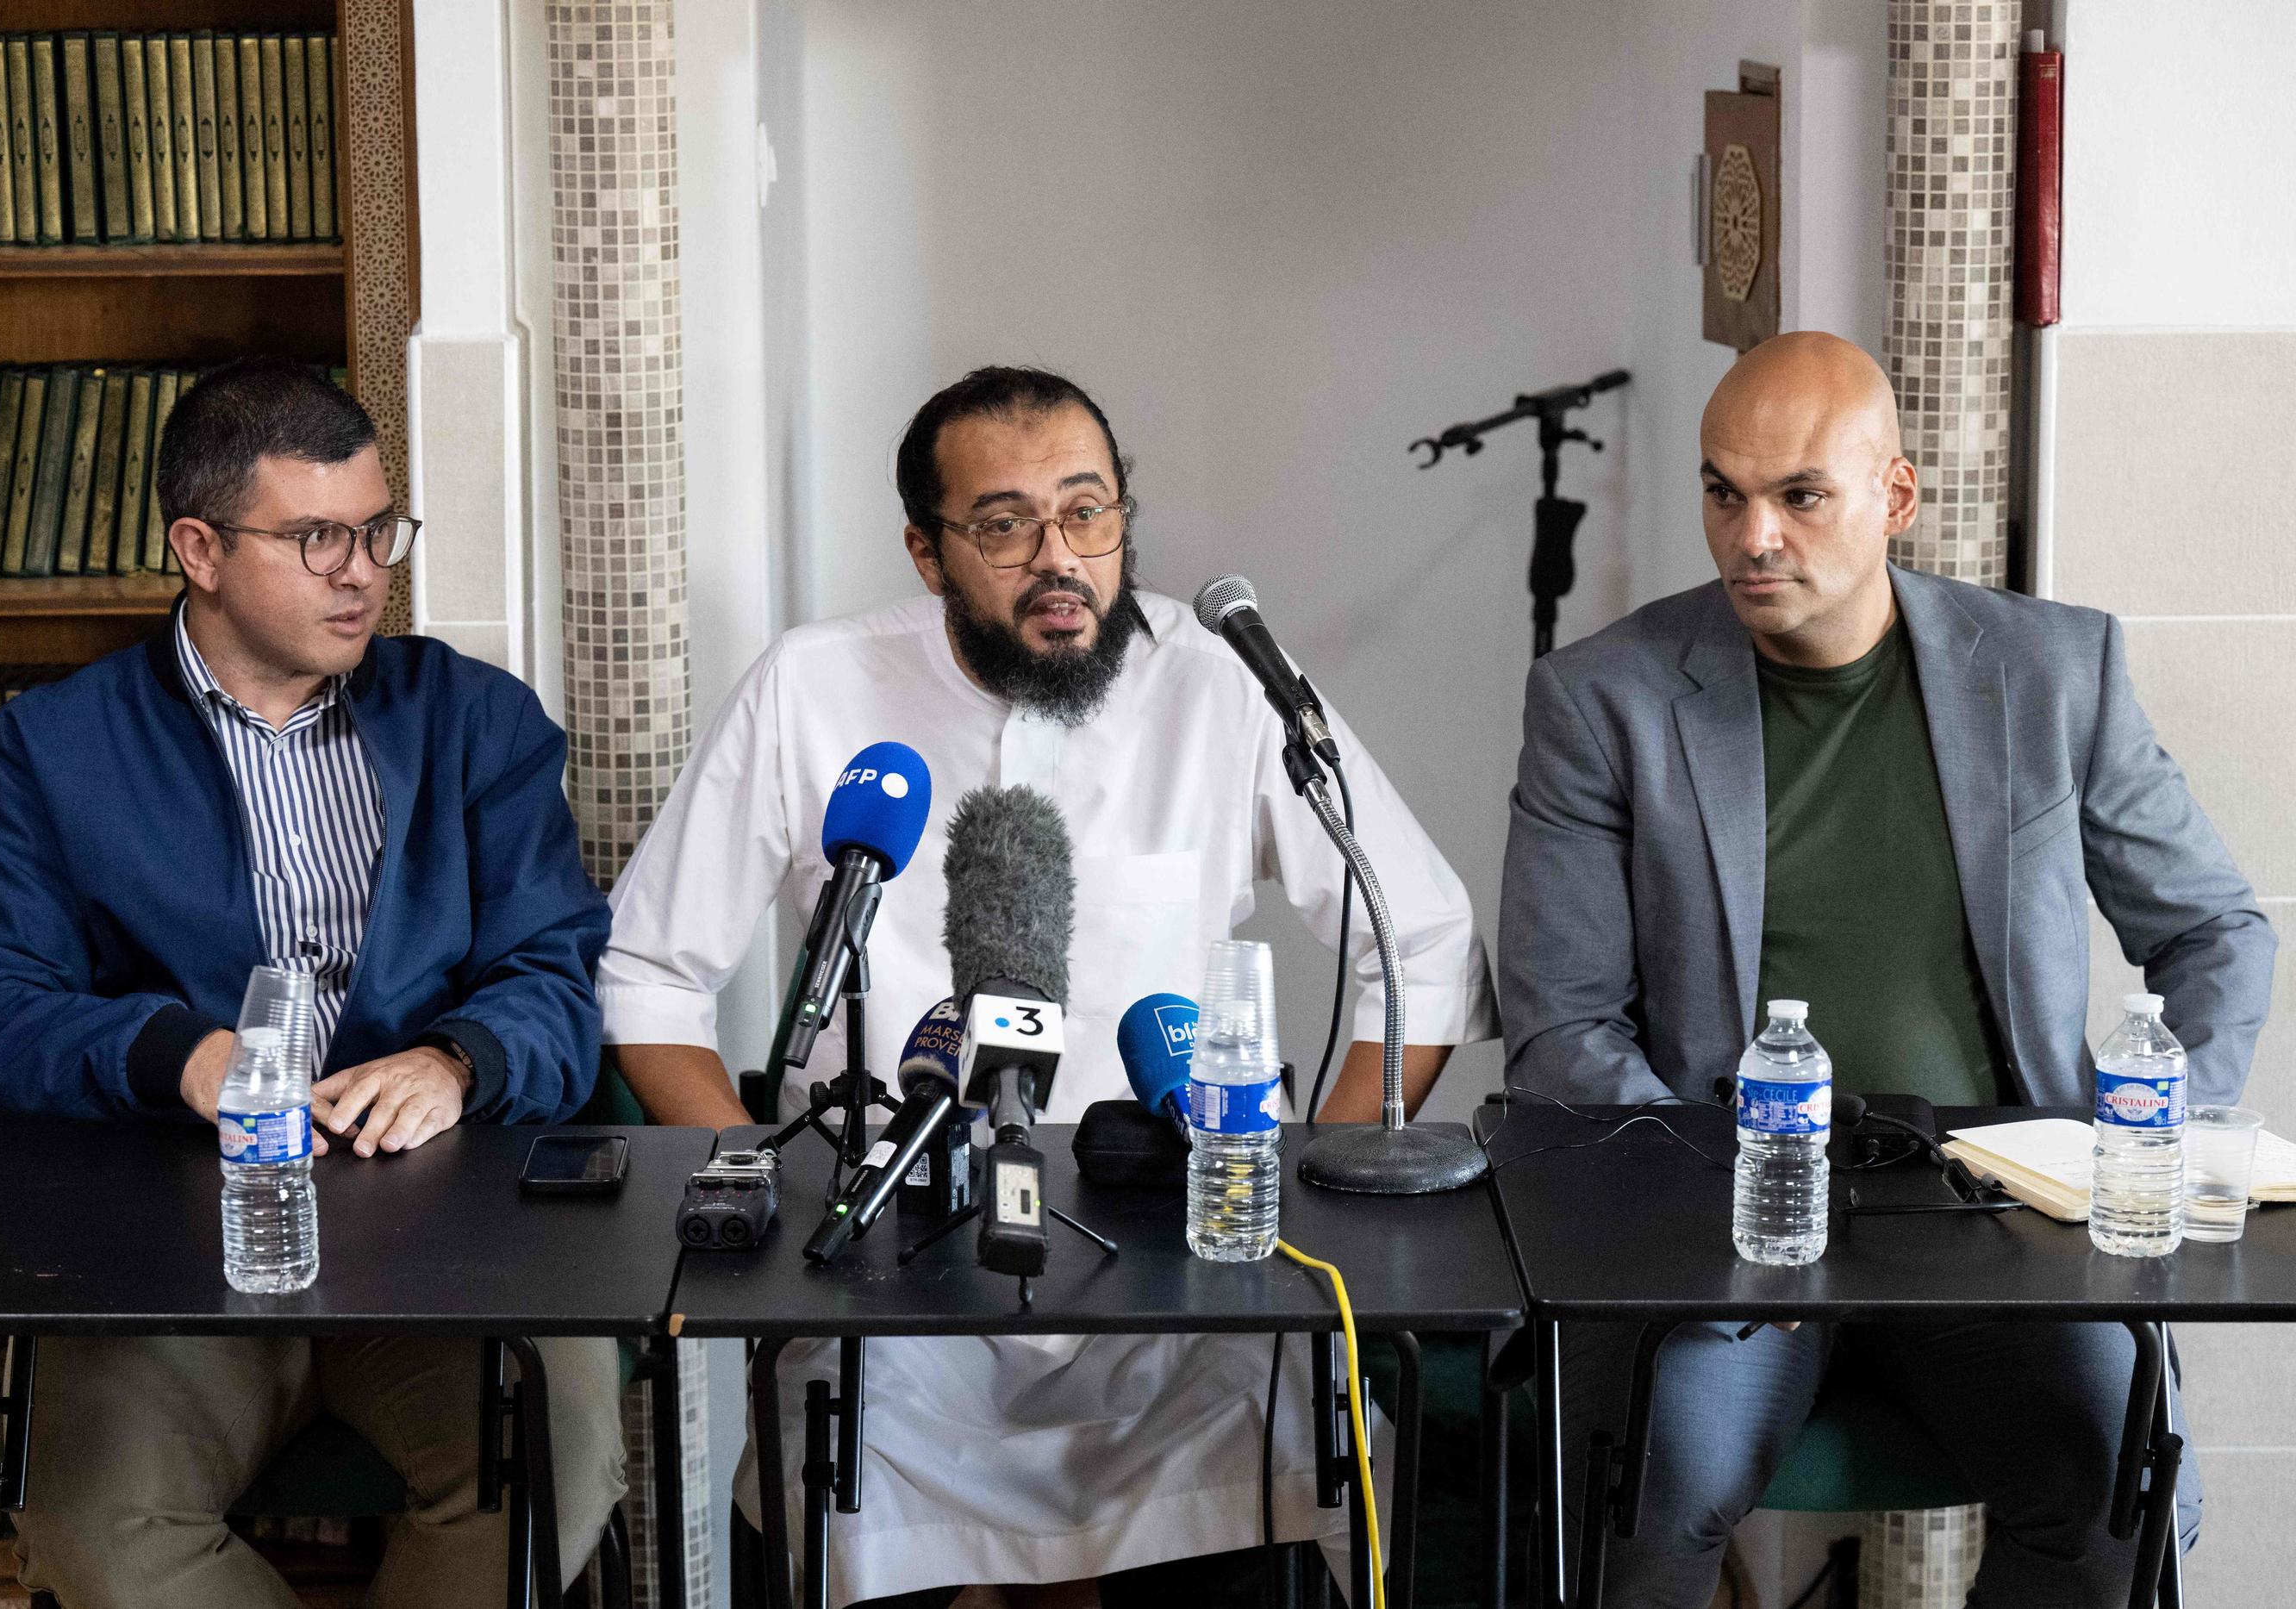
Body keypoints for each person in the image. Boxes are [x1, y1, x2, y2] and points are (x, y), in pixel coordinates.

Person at [602, 365, 1494, 1606]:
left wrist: (1309, 1182)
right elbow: (649, 974)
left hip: (1179, 1290)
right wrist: (765, 1193)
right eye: (1006, 526)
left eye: (1090, 513)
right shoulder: (813, 690)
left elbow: (1424, 939)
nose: (1059, 559)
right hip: (891, 1297)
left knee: (1268, 1476)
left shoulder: (1223, 678)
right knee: (843, 1485)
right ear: (927, 551)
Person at [1498, 331, 2274, 1606]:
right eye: (1723, 492)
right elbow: (1564, 1029)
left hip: (1999, 1219)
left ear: (1895, 499)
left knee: (2111, 1483)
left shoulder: (2049, 672)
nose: (1754, 536)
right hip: (1728, 1220)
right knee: (1651, 1485)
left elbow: (2216, 933)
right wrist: (1731, 1209)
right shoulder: (1605, 701)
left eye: (1799, 496)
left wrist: (2143, 1145)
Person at [0, 358, 627, 1609]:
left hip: (442, 1240)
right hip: (168, 1249)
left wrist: (458, 1060)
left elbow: (557, 980)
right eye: (315, 538)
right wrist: (178, 1055)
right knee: (94, 1525)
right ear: (198, 547)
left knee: (563, 1461)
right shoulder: (53, 746)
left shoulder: (478, 723)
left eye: (377, 530)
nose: (363, 570)